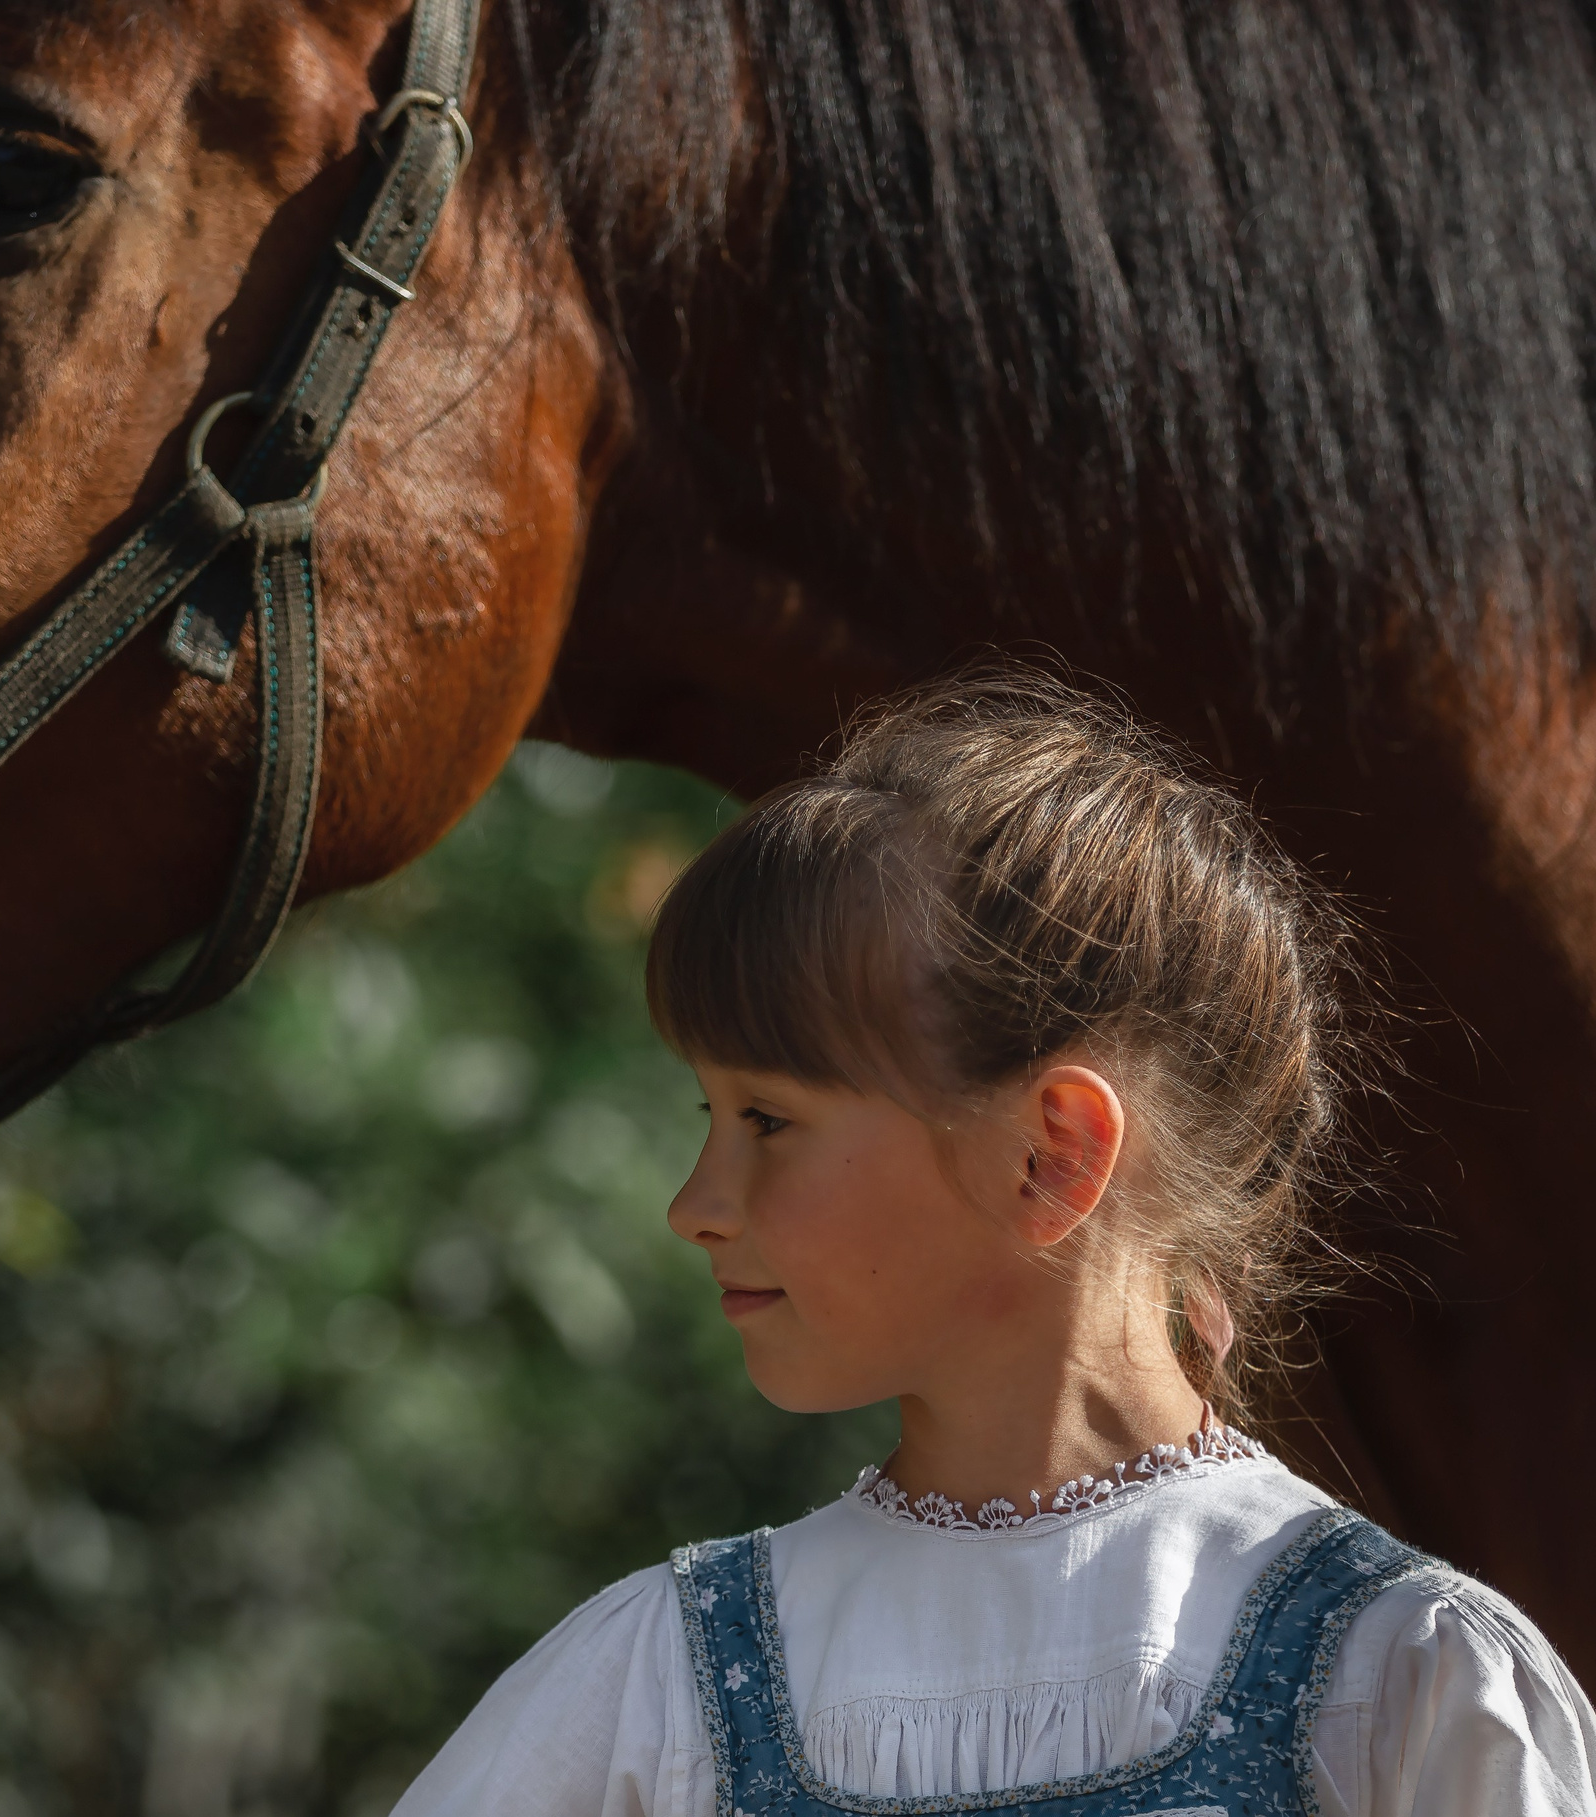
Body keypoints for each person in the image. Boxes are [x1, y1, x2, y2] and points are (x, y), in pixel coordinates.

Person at [391, 673, 1596, 1817]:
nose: (694, 1201)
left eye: (768, 1118)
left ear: (1051, 1154)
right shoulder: (655, 1684)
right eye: (705, 1114)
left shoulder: (1396, 1680)